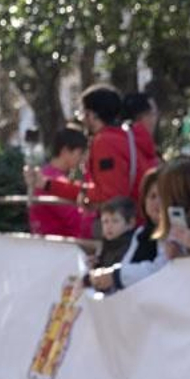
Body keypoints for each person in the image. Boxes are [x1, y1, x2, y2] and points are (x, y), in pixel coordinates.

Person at [34, 84, 148, 215]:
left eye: (83, 113)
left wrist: (82, 195)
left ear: (92, 115)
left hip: (124, 224)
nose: (82, 119)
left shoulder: (105, 142)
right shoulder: (127, 136)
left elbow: (110, 195)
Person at [91, 168, 165, 293]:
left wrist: (115, 276)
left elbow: (160, 269)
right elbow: (127, 265)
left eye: (163, 196)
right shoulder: (141, 233)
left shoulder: (173, 233)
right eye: (152, 196)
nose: (157, 202)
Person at [25, 128, 92, 239]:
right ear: (65, 151)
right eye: (80, 153)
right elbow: (77, 220)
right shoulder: (53, 181)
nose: (83, 159)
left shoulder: (46, 174)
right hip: (62, 245)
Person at [91, 198, 139, 269]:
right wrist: (96, 263)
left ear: (131, 223)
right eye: (105, 221)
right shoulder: (109, 243)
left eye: (115, 221)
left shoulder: (129, 247)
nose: (109, 226)